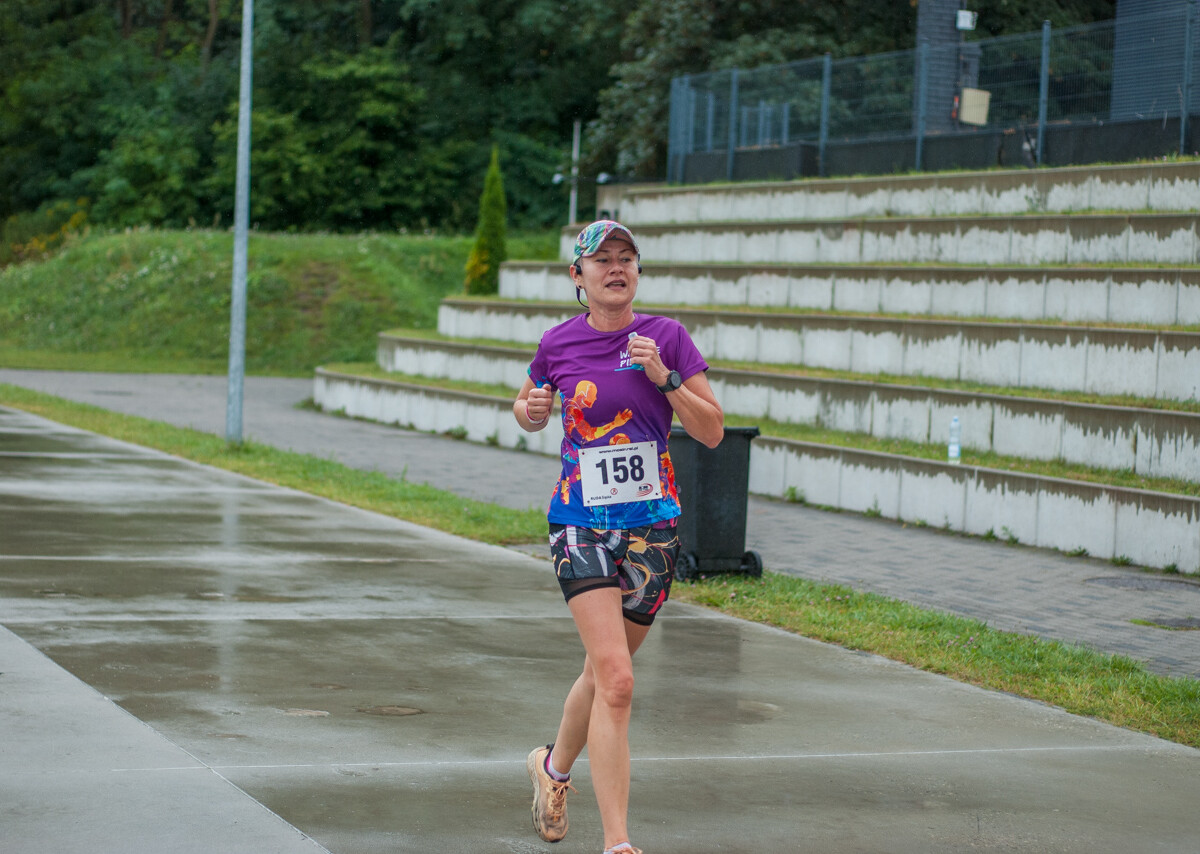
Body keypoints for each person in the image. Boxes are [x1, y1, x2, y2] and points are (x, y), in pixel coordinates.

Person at [513, 220, 723, 854]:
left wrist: (666, 378)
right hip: (579, 522)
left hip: (651, 528)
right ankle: (618, 843)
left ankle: (552, 770)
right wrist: (532, 412)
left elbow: (713, 431)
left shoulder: (668, 338)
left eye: (626, 258)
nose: (615, 268)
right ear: (577, 276)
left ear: (637, 271)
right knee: (618, 680)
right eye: (601, 259)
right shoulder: (558, 342)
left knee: (604, 674)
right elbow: (526, 405)